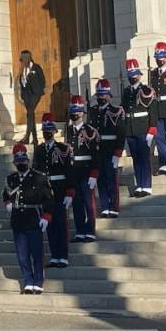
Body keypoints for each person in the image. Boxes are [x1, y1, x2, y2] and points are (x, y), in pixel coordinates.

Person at [3, 143, 53, 294]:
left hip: (34, 219)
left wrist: (46, 216)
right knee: (22, 255)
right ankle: (28, 281)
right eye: (18, 162)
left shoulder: (39, 178)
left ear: (28, 161)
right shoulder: (11, 179)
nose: (21, 164)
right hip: (18, 221)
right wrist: (7, 203)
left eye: (23, 161)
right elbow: (5, 194)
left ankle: (38, 281)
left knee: (37, 254)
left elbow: (49, 200)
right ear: (14, 163)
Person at [32, 114, 74, 268]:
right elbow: (36, 172)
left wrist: (70, 192)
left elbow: (69, 171)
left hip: (60, 190)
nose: (46, 134)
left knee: (61, 224)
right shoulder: (39, 150)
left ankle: (63, 256)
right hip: (45, 193)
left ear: (54, 132)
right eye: (45, 131)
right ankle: (54, 255)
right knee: (49, 225)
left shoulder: (63, 149)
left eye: (49, 131)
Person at [65, 96, 100, 243]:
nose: (74, 115)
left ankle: (90, 231)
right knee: (77, 203)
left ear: (82, 113)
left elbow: (96, 154)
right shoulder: (68, 130)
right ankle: (80, 231)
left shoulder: (90, 130)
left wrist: (94, 174)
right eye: (72, 112)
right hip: (74, 171)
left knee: (88, 203)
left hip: (86, 170)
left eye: (77, 112)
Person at [90, 79, 127, 218]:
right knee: (101, 180)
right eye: (99, 95)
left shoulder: (116, 111)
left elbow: (121, 133)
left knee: (111, 179)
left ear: (109, 96)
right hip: (97, 151)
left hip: (111, 150)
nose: (101, 98)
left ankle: (114, 206)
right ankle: (105, 206)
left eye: (103, 95)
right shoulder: (93, 111)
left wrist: (118, 152)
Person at [122, 59, 157, 197]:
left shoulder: (146, 90)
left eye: (135, 75)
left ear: (139, 75)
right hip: (130, 130)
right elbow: (124, 110)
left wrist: (152, 129)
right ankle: (139, 185)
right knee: (136, 159)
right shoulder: (126, 92)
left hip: (143, 129)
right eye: (131, 76)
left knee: (144, 158)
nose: (133, 78)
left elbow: (152, 110)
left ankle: (147, 186)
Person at [151, 42, 166, 174]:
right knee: (159, 139)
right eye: (157, 58)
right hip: (157, 110)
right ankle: (163, 163)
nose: (159, 60)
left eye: (162, 58)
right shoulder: (153, 73)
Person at [18, 50, 46, 145]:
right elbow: (21, 82)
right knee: (31, 115)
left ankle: (27, 137)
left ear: (27, 58)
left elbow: (42, 80)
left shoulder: (36, 67)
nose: (21, 60)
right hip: (26, 95)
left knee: (30, 113)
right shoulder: (22, 69)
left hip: (35, 94)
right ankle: (34, 139)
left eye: (23, 58)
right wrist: (22, 94)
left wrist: (39, 90)